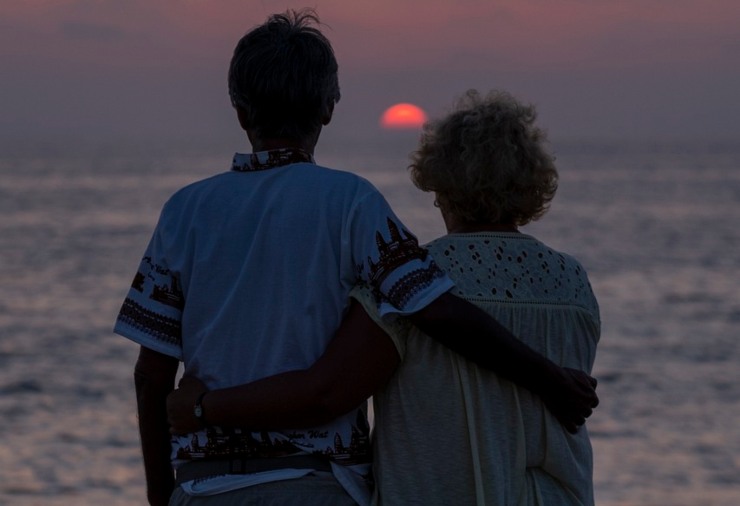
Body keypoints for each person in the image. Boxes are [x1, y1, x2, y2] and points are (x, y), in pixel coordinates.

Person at [115, 9, 597, 506]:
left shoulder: (185, 211)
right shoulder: (351, 203)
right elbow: (435, 309)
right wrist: (550, 378)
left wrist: (161, 496)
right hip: (317, 485)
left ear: (239, 110)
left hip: (203, 486)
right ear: (328, 107)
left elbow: (152, 374)